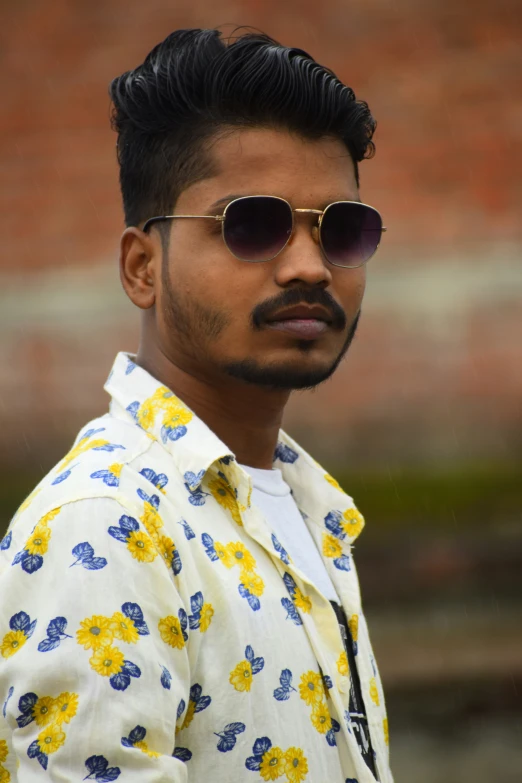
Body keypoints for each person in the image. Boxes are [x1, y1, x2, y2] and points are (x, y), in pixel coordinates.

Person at [0, 28, 392, 783]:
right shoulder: (107, 525)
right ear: (142, 267)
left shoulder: (311, 510)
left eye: (341, 228)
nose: (309, 264)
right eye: (251, 224)